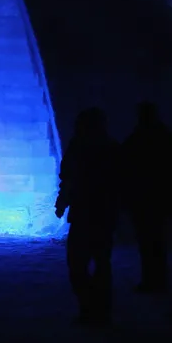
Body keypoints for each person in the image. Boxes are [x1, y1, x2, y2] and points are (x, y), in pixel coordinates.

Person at [55, 107, 121, 327]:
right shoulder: (111, 148)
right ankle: (100, 311)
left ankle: (90, 309)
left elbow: (69, 178)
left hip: (85, 213)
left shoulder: (79, 147)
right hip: (103, 214)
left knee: (79, 264)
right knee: (101, 264)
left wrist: (62, 202)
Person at [122, 101, 172, 292]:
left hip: (144, 198)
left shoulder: (140, 137)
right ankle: (158, 280)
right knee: (156, 241)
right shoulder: (164, 136)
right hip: (156, 197)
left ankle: (153, 280)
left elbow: (126, 162)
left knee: (149, 242)